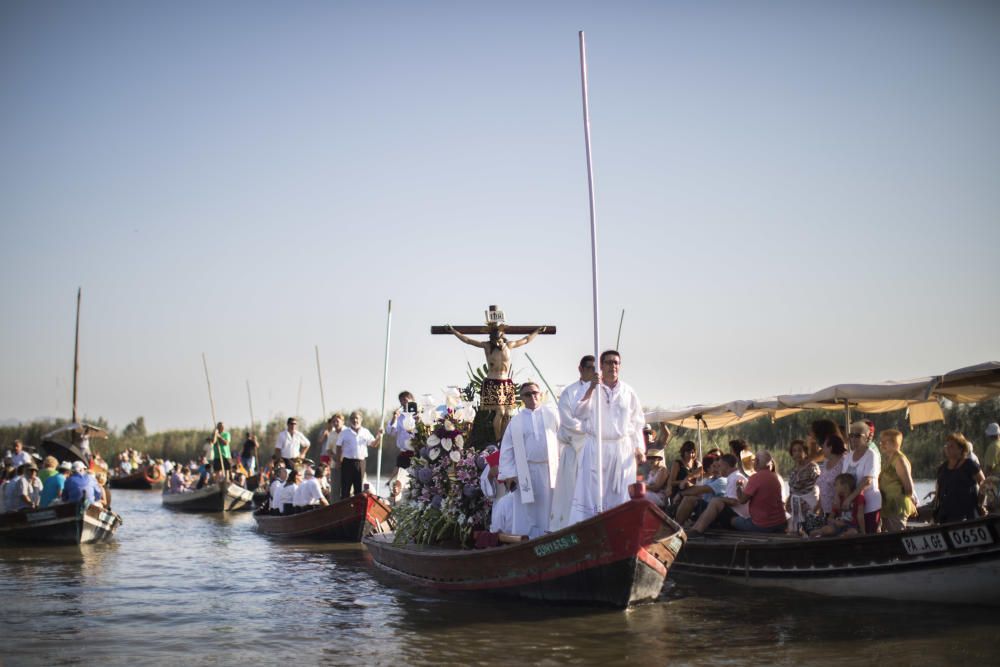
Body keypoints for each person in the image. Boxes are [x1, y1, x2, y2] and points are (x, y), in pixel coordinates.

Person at [568, 350, 646, 524]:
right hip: (596, 447)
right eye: (609, 362)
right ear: (601, 366)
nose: (613, 366)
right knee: (593, 492)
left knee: (620, 492)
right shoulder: (590, 388)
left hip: (621, 448)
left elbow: (637, 423)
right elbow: (577, 412)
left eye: (616, 363)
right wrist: (590, 389)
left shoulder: (628, 391)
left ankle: (620, 527)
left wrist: (639, 447)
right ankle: (590, 528)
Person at [446, 319, 547, 448]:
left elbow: (526, 339)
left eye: (498, 338)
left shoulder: (510, 346)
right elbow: (468, 340)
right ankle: (498, 439)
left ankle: (505, 440)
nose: (496, 341)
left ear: (502, 336)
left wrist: (537, 331)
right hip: (492, 382)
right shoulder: (487, 346)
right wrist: (454, 332)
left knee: (506, 414)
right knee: (499, 411)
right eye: (493, 339)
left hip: (506, 383)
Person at [498, 382, 560, 539]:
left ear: (540, 394)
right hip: (526, 471)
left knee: (550, 506)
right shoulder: (516, 421)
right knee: (528, 509)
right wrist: (510, 474)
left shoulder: (553, 415)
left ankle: (551, 537)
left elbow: (564, 440)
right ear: (522, 399)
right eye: (527, 394)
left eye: (535, 393)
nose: (532, 397)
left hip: (550, 469)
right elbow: (507, 449)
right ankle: (528, 540)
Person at [549, 355, 595, 531]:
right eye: (590, 367)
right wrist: (590, 431)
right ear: (581, 369)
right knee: (571, 491)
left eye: (595, 367)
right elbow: (568, 422)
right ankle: (566, 528)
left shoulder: (603, 392)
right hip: (576, 450)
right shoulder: (570, 392)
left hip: (595, 451)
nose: (594, 371)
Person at [687, 454, 749, 537]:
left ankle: (697, 530)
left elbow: (734, 501)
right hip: (734, 513)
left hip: (738, 516)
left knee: (715, 501)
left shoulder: (735, 478)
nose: (718, 469)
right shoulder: (734, 477)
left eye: (719, 466)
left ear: (726, 466)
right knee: (713, 501)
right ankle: (695, 528)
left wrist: (719, 499)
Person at [841, 420, 882, 534]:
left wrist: (849, 498)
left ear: (866, 437)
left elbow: (867, 481)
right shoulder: (848, 457)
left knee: (869, 535)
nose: (853, 439)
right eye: (851, 435)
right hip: (854, 507)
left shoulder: (871, 455)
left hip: (869, 504)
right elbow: (843, 480)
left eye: (857, 436)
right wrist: (837, 497)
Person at [731, 451, 787, 533]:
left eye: (754, 461)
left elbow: (742, 500)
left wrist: (738, 487)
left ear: (756, 462)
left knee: (732, 520)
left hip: (763, 526)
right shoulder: (777, 476)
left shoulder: (755, 478)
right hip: (781, 523)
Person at [934, 433, 985, 524]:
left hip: (967, 514)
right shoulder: (942, 468)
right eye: (947, 446)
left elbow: (984, 483)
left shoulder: (969, 465)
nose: (948, 449)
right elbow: (938, 492)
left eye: (952, 446)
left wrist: (980, 503)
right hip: (946, 514)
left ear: (961, 449)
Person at [335, 412, 383, 499]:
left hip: (360, 462)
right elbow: (338, 446)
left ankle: (357, 509)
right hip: (347, 462)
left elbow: (373, 444)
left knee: (359, 488)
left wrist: (379, 436)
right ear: (350, 420)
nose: (355, 420)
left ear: (361, 420)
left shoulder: (365, 432)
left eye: (357, 418)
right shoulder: (344, 432)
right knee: (345, 488)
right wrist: (338, 461)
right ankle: (345, 509)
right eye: (353, 418)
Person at [878, 429, 917, 532]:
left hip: (897, 506)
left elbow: (909, 488)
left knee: (897, 535)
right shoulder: (888, 459)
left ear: (895, 443)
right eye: (881, 441)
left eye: (885, 442)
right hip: (887, 506)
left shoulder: (899, 459)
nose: (881, 444)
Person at [673, 454, 727, 525]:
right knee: (688, 497)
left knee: (689, 499)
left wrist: (680, 494)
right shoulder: (710, 480)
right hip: (706, 508)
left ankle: (677, 525)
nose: (715, 469)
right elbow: (699, 493)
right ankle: (677, 522)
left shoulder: (722, 480)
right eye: (713, 466)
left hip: (715, 511)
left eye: (718, 467)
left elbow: (700, 490)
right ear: (709, 467)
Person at [811, 473, 865, 538]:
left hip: (852, 525)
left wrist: (863, 532)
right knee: (828, 529)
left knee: (853, 532)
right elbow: (830, 518)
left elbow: (860, 516)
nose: (834, 487)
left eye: (836, 485)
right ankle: (818, 532)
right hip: (838, 524)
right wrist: (836, 521)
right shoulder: (838, 500)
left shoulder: (859, 497)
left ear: (845, 486)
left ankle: (842, 536)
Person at [786, 439, 821, 535]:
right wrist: (788, 501)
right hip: (796, 509)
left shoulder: (812, 467)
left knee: (811, 534)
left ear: (805, 452)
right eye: (794, 451)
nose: (797, 453)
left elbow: (821, 486)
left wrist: (818, 507)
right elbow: (792, 490)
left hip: (810, 508)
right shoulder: (793, 470)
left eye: (800, 450)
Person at [387, 392, 418, 469]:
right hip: (404, 454)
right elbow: (391, 432)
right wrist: (394, 418)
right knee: (400, 479)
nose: (403, 403)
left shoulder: (420, 413)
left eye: (405, 400)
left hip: (418, 453)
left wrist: (418, 419)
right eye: (401, 401)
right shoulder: (398, 416)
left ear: (412, 400)